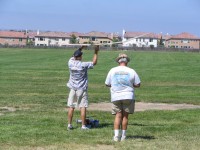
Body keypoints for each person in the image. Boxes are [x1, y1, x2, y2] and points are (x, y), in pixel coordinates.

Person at [105, 53, 141, 141]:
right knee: (125, 116)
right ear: (127, 61)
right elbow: (138, 84)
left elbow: (107, 84)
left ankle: (116, 136)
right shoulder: (132, 71)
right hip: (128, 95)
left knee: (118, 115)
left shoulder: (112, 70)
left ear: (118, 61)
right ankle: (124, 136)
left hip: (116, 95)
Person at [66, 45, 99, 130]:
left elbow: (73, 56)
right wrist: (96, 51)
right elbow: (94, 62)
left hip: (73, 88)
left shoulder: (70, 62)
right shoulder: (83, 65)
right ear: (80, 57)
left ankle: (69, 124)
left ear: (74, 57)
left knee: (71, 107)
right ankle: (83, 126)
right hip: (81, 89)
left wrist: (81, 48)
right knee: (83, 107)